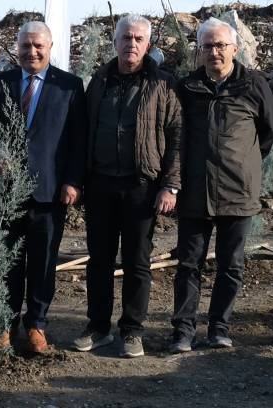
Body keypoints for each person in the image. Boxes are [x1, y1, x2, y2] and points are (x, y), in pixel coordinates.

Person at [73, 14, 182, 359]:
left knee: (137, 262)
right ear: (114, 42)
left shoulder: (164, 84)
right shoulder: (99, 81)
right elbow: (83, 132)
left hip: (142, 187)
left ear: (148, 45)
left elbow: (178, 138)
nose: (131, 44)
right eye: (125, 38)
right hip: (101, 185)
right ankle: (99, 327)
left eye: (138, 39)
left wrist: (171, 185)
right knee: (99, 260)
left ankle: (132, 331)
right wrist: (79, 180)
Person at [170, 17, 273, 353]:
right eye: (207, 46)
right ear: (198, 51)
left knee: (231, 265)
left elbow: (268, 133)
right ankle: (183, 332)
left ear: (235, 48)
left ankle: (219, 328)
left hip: (238, 191)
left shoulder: (254, 84)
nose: (214, 52)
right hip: (195, 190)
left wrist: (243, 164)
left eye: (220, 45)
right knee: (189, 265)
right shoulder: (186, 88)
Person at [0, 21, 87, 354]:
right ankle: (5, 323)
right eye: (26, 46)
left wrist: (72, 181)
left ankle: (37, 324)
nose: (32, 52)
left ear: (50, 46)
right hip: (6, 193)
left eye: (38, 46)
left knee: (42, 264)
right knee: (8, 260)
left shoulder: (69, 86)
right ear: (17, 48)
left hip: (49, 192)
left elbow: (77, 140)